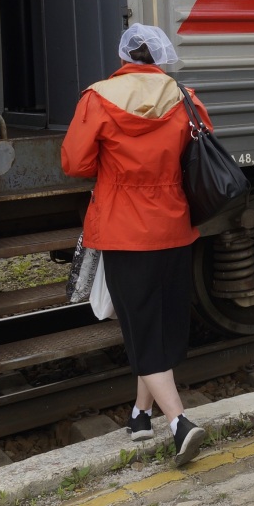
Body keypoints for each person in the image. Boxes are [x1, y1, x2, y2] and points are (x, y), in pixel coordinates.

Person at [60, 24, 208, 466]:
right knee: (157, 324)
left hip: (124, 229)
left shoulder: (97, 98)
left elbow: (75, 162)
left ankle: (179, 422)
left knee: (141, 329)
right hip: (175, 225)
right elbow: (200, 147)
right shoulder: (184, 96)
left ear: (125, 54)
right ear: (159, 55)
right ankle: (140, 414)